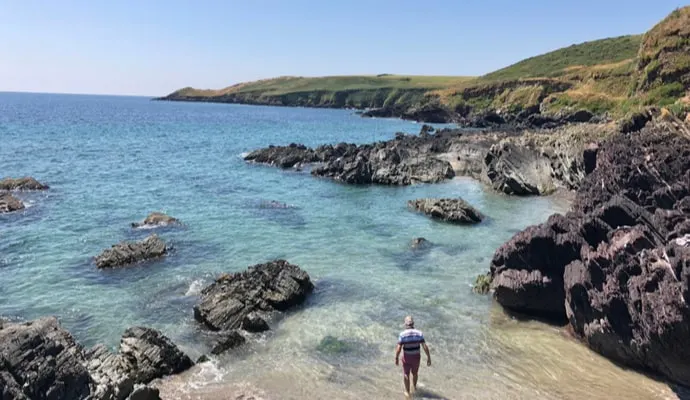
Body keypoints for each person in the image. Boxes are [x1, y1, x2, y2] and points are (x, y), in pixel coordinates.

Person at [395, 316, 431, 397]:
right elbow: (424, 346)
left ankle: (407, 392)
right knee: (415, 373)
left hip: (407, 357)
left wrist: (396, 358)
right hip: (416, 357)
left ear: (405, 324)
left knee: (406, 374)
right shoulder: (419, 333)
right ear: (413, 324)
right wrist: (429, 357)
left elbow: (399, 348)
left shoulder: (402, 334)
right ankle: (414, 387)